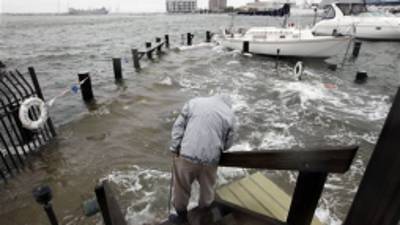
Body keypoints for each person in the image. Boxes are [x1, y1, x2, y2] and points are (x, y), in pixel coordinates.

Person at [169, 95, 235, 224]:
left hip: (187, 155)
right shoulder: (229, 114)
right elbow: (228, 142)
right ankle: (204, 215)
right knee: (207, 189)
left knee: (181, 188)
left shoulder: (193, 103)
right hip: (211, 160)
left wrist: (175, 146)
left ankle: (181, 218)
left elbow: (179, 125)